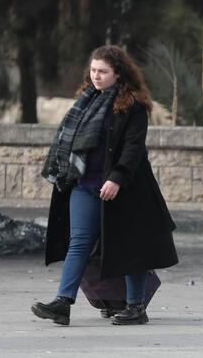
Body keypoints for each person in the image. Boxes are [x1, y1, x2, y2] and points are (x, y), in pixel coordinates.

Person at [32, 45, 178, 326]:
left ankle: (136, 307)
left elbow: (133, 149)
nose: (96, 76)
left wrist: (117, 178)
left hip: (125, 188)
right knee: (79, 243)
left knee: (127, 246)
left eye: (103, 71)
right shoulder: (85, 102)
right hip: (84, 185)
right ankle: (63, 303)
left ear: (118, 74)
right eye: (93, 70)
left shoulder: (133, 106)